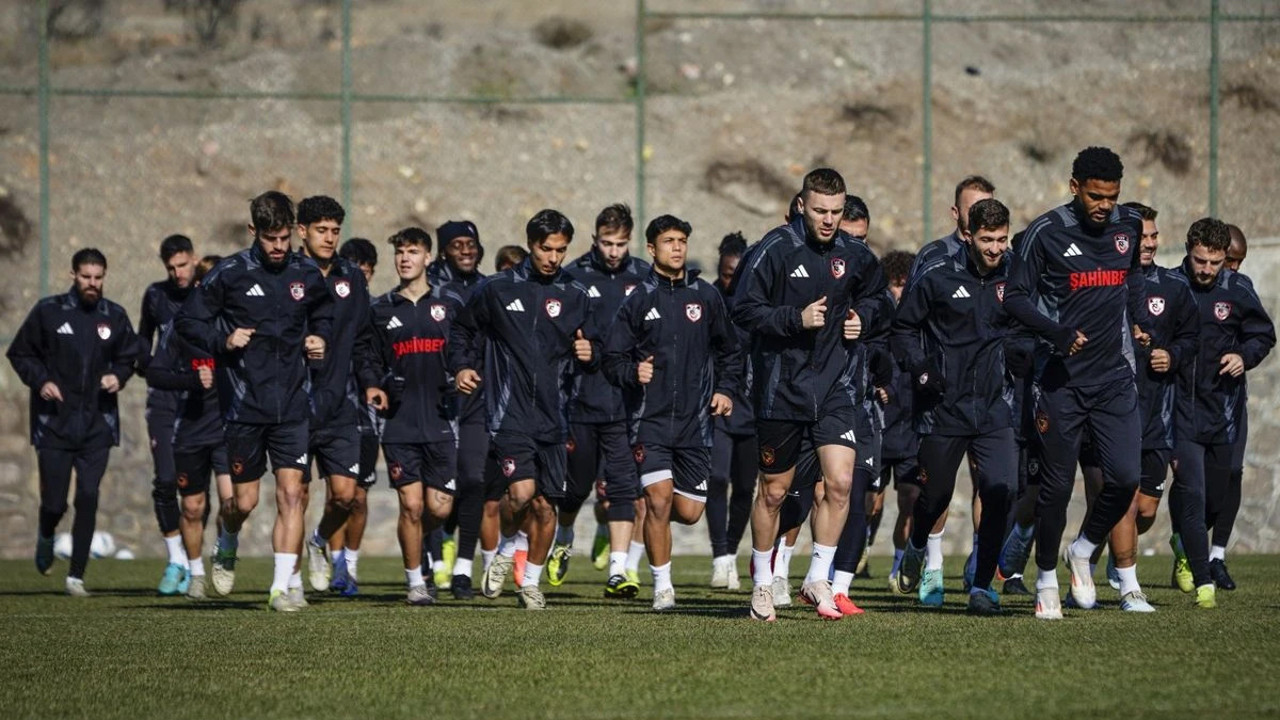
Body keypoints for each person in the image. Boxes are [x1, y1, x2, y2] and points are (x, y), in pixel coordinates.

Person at [732, 167, 893, 621]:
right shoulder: (775, 249)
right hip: (781, 390)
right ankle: (763, 583)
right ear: (801, 205)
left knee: (841, 483)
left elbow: (883, 300)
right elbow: (742, 309)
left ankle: (817, 578)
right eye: (820, 210)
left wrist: (865, 315)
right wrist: (793, 320)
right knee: (775, 492)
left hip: (836, 387)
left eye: (836, 212)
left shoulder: (855, 254)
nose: (828, 220)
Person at [1002, 147, 1152, 620]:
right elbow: (1015, 300)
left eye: (1111, 196)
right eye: (1095, 196)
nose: (1104, 205)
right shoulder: (1045, 233)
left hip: (1113, 380)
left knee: (1127, 477)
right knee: (1056, 488)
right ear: (1074, 188)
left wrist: (1137, 322)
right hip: (1061, 380)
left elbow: (1131, 282)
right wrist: (1057, 333)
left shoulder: (1127, 227)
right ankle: (1046, 577)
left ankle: (1083, 548)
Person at [176, 191, 333, 612]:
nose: (279, 247)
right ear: (253, 232)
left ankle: (283, 587)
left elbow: (324, 314)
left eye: (285, 238)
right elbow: (188, 321)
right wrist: (222, 341)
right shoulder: (229, 273)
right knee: (243, 502)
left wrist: (319, 337)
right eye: (271, 239)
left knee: (292, 494)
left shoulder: (307, 272)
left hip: (294, 406)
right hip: (245, 406)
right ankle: (227, 540)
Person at [449, 209, 596, 610]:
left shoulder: (576, 294)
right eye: (545, 248)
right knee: (520, 494)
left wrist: (591, 351)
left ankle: (530, 582)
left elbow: (599, 347)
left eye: (561, 250)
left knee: (548, 505)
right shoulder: (497, 289)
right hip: (508, 412)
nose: (553, 257)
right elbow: (462, 329)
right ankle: (503, 550)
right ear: (530, 245)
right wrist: (462, 365)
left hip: (557, 414)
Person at [602, 214, 739, 610]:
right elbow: (611, 358)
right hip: (651, 421)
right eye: (668, 241)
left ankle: (652, 526)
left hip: (696, 423)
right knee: (659, 500)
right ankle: (663, 587)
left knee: (689, 512)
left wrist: (726, 389)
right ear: (651, 249)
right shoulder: (638, 299)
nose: (677, 247)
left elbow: (730, 351)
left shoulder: (706, 296)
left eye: (682, 240)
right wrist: (632, 371)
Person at [892, 198, 1018, 615]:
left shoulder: (1015, 274)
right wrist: (922, 369)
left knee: (1001, 490)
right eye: (987, 240)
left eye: (1002, 239)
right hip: (944, 408)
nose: (996, 248)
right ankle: (915, 547)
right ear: (968, 236)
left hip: (996, 409)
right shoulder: (936, 276)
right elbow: (903, 328)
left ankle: (981, 587)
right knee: (935, 496)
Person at [1075, 202, 1197, 612]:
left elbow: (1192, 338)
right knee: (1118, 496)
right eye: (1141, 236)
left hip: (1156, 413)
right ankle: (1128, 586)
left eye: (1153, 236)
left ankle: (1090, 550)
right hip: (1107, 404)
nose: (1148, 243)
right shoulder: (1099, 282)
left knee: (1144, 508)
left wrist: (1171, 355)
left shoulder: (1174, 288)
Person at [8, 248, 141, 596]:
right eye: (86, 277)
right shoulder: (49, 312)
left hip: (98, 424)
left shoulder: (114, 316)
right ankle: (46, 533)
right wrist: (41, 381)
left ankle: (76, 576)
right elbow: (20, 353)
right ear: (73, 276)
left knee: (88, 495)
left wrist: (119, 376)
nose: (92, 284)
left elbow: (131, 356)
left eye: (98, 278)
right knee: (55, 502)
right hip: (55, 424)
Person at [1168, 217, 1273, 605]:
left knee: (1221, 487)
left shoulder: (1238, 289)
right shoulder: (1169, 285)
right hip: (1179, 411)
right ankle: (1203, 580)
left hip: (1222, 410)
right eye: (1201, 262)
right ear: (1189, 251)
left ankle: (1183, 539)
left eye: (1215, 263)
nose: (1208, 270)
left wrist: (1243, 356)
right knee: (1193, 492)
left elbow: (1263, 335)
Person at [359, 227, 460, 605]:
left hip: (441, 420)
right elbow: (367, 356)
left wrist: (462, 373)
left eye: (413, 251)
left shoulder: (448, 306)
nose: (405, 258)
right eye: (400, 252)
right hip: (399, 423)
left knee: (439, 507)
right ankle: (415, 581)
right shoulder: (381, 309)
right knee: (411, 506)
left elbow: (465, 349)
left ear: (428, 258)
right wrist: (374, 384)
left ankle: (430, 546)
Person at [554, 204, 650, 598]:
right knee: (576, 488)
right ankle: (563, 537)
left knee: (623, 489)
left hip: (627, 403)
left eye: (621, 244)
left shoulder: (643, 276)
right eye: (607, 243)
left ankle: (618, 571)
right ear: (594, 240)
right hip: (583, 401)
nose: (613, 251)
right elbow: (557, 330)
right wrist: (578, 348)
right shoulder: (573, 276)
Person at [293, 196, 371, 602]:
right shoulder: (286, 274)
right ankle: (289, 582)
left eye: (335, 231)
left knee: (346, 495)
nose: (329, 238)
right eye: (321, 230)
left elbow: (363, 338)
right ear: (302, 231)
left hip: (341, 403)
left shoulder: (351, 278)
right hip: (294, 404)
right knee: (296, 495)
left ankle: (319, 541)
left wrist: (371, 382)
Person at [144, 255, 231, 600]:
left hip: (228, 428)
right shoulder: (182, 327)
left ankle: (226, 551)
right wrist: (191, 380)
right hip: (191, 431)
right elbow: (154, 372)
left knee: (233, 504)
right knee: (193, 507)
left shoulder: (237, 328)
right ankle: (195, 574)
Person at [423, 219, 486, 599]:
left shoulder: (488, 287)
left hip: (477, 396)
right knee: (436, 488)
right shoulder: (429, 289)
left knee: (474, 479)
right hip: (435, 398)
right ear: (444, 249)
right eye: (457, 244)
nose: (466, 250)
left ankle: (463, 567)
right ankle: (433, 557)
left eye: (471, 243)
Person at [138, 234, 198, 595]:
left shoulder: (207, 293)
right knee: (165, 479)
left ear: (194, 259)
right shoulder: (155, 296)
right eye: (171, 267)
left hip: (199, 400)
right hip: (163, 397)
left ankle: (194, 564)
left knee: (194, 486)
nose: (178, 273)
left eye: (183, 265)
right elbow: (143, 338)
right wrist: (143, 363)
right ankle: (175, 558)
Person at [326, 237, 379, 596]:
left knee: (359, 496)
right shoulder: (329, 310)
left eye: (365, 272)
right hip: (331, 409)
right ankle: (335, 566)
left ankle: (352, 565)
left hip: (366, 413)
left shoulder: (376, 312)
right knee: (337, 494)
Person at [706, 232, 756, 590]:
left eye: (736, 275)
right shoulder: (708, 301)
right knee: (717, 479)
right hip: (718, 404)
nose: (730, 281)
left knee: (744, 488)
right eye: (725, 274)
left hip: (753, 410)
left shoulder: (757, 302)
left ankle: (733, 552)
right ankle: (720, 556)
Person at [873, 249, 920, 592]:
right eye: (894, 284)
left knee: (911, 498)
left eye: (905, 285)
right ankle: (852, 553)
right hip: (876, 424)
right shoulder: (874, 320)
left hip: (909, 424)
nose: (899, 292)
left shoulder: (921, 322)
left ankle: (899, 566)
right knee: (868, 502)